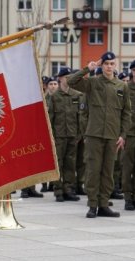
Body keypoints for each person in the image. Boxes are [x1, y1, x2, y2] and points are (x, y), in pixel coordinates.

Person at [68, 52, 131, 218]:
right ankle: (92, 205)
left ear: (115, 65)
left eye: (111, 64)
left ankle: (104, 205)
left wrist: (123, 135)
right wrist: (87, 69)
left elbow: (126, 113)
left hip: (112, 136)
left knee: (108, 172)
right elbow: (71, 81)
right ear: (101, 66)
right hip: (94, 135)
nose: (109, 66)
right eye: (106, 64)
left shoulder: (122, 86)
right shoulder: (93, 83)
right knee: (93, 171)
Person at [48, 67, 82, 202]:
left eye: (70, 77)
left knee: (70, 163)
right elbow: (50, 117)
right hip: (59, 136)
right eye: (65, 77)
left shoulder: (76, 95)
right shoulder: (55, 97)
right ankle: (58, 190)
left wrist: (80, 134)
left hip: (73, 135)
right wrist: (51, 136)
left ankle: (69, 189)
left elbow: (81, 117)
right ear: (60, 79)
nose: (68, 79)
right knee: (59, 163)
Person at [122, 59, 135, 210]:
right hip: (129, 134)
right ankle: (128, 198)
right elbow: (120, 112)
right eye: (134, 70)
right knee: (127, 167)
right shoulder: (125, 88)